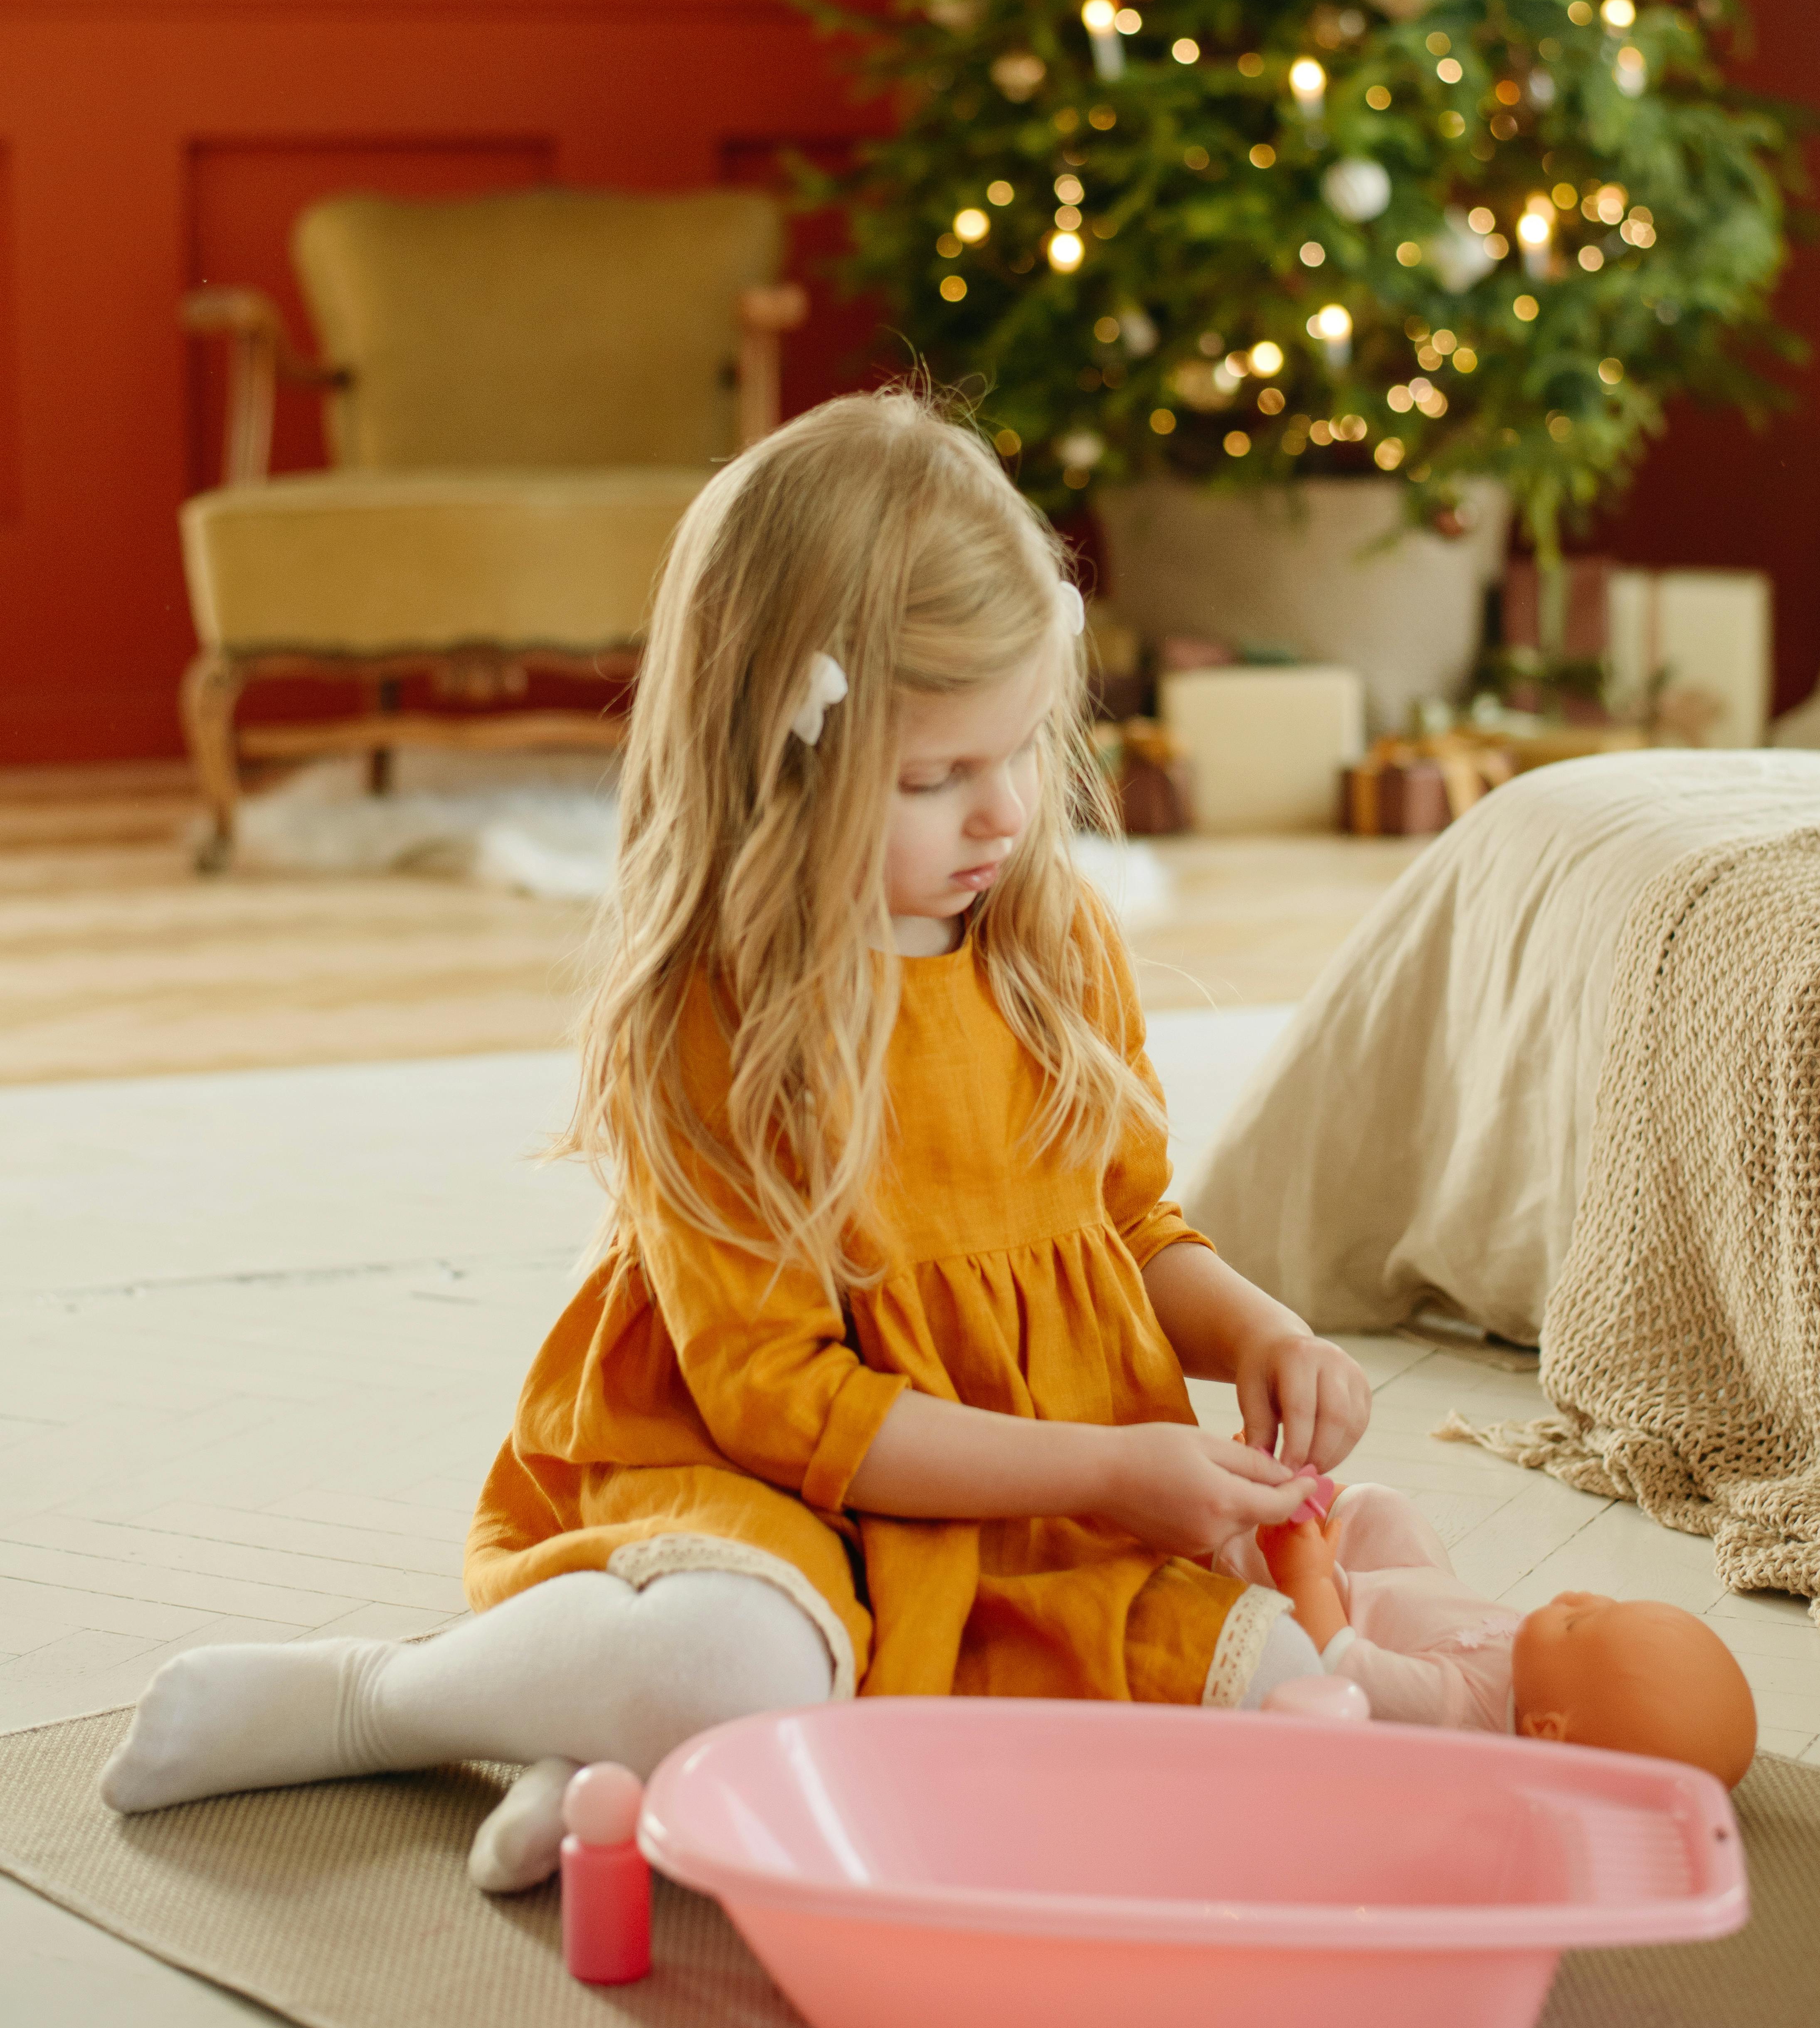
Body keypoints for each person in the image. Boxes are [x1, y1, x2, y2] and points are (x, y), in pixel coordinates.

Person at [101, 391, 1372, 1885]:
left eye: (1021, 752)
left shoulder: (1050, 940)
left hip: (1022, 1481)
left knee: (1271, 1681)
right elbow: (785, 1407)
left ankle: (602, 1749)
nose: (1006, 817)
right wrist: (1100, 1475)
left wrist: (1256, 1328)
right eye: (934, 779)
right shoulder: (723, 1012)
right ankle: (386, 1697)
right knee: (737, 1667)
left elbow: (1129, 1227)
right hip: (754, 1474)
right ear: (784, 762)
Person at [1228, 1482, 1756, 1786]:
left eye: (1576, 1624)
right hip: (1409, 1589)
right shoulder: (1543, 1675)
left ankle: (1236, 1540)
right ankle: (1305, 1504)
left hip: (1325, 1606)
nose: (1580, 1597)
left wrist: (1307, 1576)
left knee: (1272, 1632)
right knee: (1388, 1512)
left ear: (1547, 1729)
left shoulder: (1454, 1708)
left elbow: (1334, 1662)